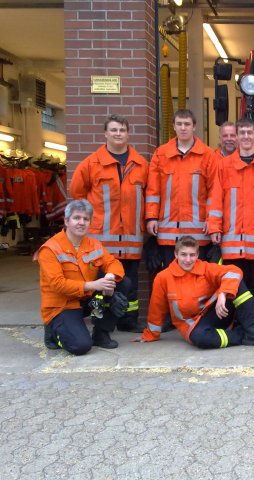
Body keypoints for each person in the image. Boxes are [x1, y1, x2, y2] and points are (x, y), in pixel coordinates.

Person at [69, 114, 149, 333]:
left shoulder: (141, 164)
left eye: (122, 130)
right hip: (101, 240)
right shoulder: (91, 164)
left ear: (128, 133)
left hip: (132, 239)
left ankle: (128, 321)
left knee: (130, 283)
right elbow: (76, 193)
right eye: (113, 130)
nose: (118, 134)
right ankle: (100, 322)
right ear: (105, 133)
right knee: (100, 285)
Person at [136, 235, 254, 348]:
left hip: (217, 313)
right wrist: (151, 334)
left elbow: (234, 271)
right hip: (192, 326)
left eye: (192, 255)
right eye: (183, 255)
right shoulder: (163, 277)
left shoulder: (205, 268)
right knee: (201, 338)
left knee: (236, 282)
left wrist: (223, 292)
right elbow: (157, 307)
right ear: (175, 254)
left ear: (197, 255)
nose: (188, 260)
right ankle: (243, 335)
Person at [37, 199, 129, 355]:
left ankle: (101, 334)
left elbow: (113, 263)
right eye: (76, 218)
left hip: (85, 299)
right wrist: (94, 285)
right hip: (62, 305)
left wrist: (109, 277)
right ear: (66, 221)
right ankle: (53, 331)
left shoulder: (93, 244)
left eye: (86, 219)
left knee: (122, 283)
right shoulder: (49, 249)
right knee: (80, 346)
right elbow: (58, 285)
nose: (81, 222)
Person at [210, 117, 254, 306]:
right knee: (235, 285)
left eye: (250, 132)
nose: (246, 136)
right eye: (242, 133)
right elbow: (216, 199)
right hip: (231, 242)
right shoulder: (224, 166)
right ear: (237, 137)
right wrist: (214, 228)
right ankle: (239, 323)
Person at [145, 109, 218, 267]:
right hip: (168, 232)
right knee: (172, 279)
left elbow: (214, 191)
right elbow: (153, 190)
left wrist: (212, 220)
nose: (183, 128)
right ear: (174, 126)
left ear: (194, 127)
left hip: (198, 233)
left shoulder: (208, 155)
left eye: (187, 124)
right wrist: (151, 217)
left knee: (198, 279)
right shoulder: (161, 154)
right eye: (179, 124)